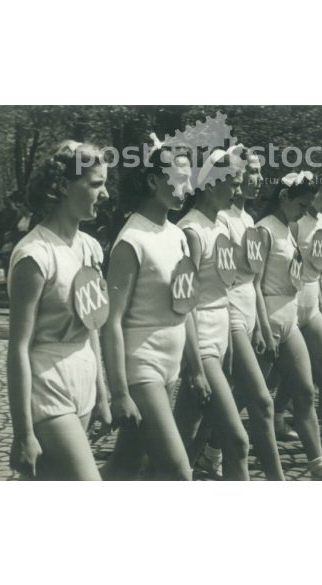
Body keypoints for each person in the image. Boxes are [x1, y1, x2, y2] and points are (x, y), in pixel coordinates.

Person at [100, 142, 210, 480]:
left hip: (171, 368)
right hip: (141, 366)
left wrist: (197, 368)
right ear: (153, 181)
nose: (187, 189)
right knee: (178, 472)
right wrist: (119, 393)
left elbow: (185, 307)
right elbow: (111, 322)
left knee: (128, 465)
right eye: (179, 179)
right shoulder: (131, 240)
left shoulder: (177, 236)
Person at [7, 140, 111, 480]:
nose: (106, 194)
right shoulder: (34, 255)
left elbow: (92, 324)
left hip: (83, 380)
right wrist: (23, 434)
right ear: (63, 186)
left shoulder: (91, 248)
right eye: (96, 184)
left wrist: (102, 394)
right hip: (48, 384)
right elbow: (19, 347)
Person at [255, 170, 322, 480]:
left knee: (306, 389)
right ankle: (209, 450)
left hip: (295, 317)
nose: (306, 210)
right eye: (302, 204)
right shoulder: (265, 229)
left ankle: (321, 464)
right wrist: (260, 329)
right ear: (285, 198)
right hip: (270, 320)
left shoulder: (290, 226)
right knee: (245, 398)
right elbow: (254, 284)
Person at [208, 147, 285, 480]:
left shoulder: (249, 220)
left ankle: (206, 453)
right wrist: (236, 326)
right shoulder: (222, 219)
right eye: (250, 171)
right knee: (262, 402)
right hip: (230, 318)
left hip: (250, 316)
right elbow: (221, 281)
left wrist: (264, 329)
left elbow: (253, 281)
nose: (257, 179)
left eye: (258, 172)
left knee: (211, 410)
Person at [174, 148, 251, 480]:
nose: (236, 191)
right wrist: (195, 367)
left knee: (186, 438)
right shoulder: (191, 231)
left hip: (221, 335)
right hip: (201, 339)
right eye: (231, 183)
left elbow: (225, 287)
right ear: (209, 183)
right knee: (237, 440)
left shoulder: (220, 225)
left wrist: (229, 346)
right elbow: (185, 303)